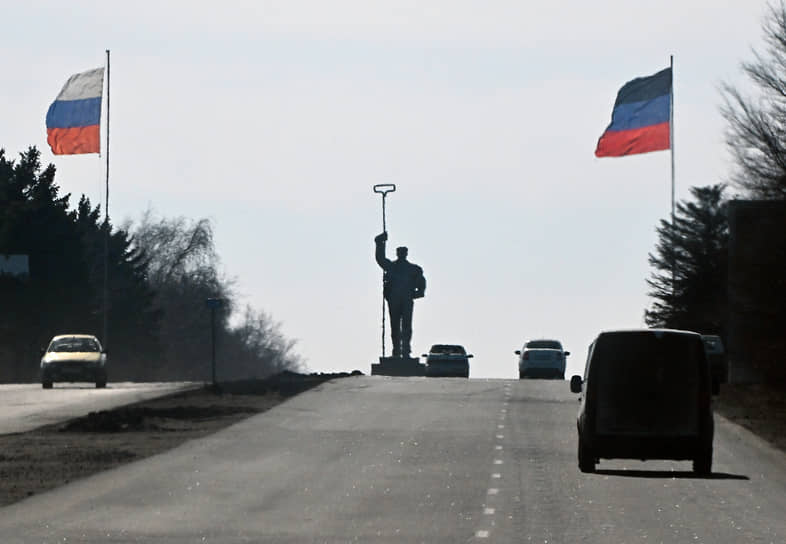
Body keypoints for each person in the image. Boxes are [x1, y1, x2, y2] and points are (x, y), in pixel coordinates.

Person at [374, 231, 426, 358]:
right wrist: (379, 242)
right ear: (397, 254)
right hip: (394, 300)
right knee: (395, 326)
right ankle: (396, 351)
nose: (401, 254)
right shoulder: (391, 267)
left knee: (407, 326)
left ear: (406, 254)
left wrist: (417, 293)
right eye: (400, 253)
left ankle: (406, 351)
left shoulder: (414, 269)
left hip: (407, 300)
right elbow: (380, 258)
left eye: (403, 253)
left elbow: (421, 284)